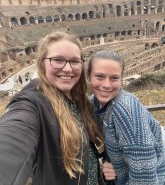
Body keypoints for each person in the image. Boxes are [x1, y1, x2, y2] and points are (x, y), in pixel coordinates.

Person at [0, 31, 108, 185]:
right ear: (42, 63)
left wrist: (107, 162)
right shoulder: (32, 103)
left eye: (75, 61)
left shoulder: (80, 99)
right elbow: (13, 135)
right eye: (57, 60)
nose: (68, 69)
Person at [87, 50, 165, 185]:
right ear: (89, 77)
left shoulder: (126, 110)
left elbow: (145, 176)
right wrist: (111, 164)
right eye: (99, 76)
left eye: (114, 78)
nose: (106, 85)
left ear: (121, 79)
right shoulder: (93, 102)